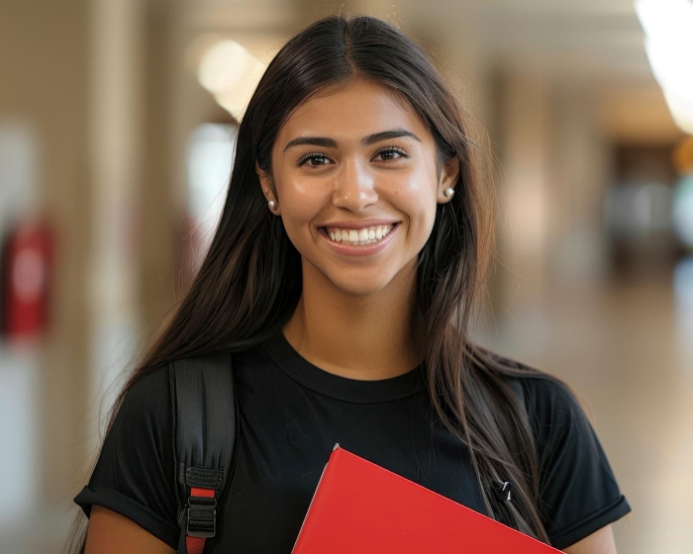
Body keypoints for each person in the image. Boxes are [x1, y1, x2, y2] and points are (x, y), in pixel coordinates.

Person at [73, 14, 630, 554]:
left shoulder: (539, 420)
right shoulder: (173, 415)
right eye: (315, 159)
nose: (355, 194)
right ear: (270, 184)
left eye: (388, 154)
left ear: (445, 174)